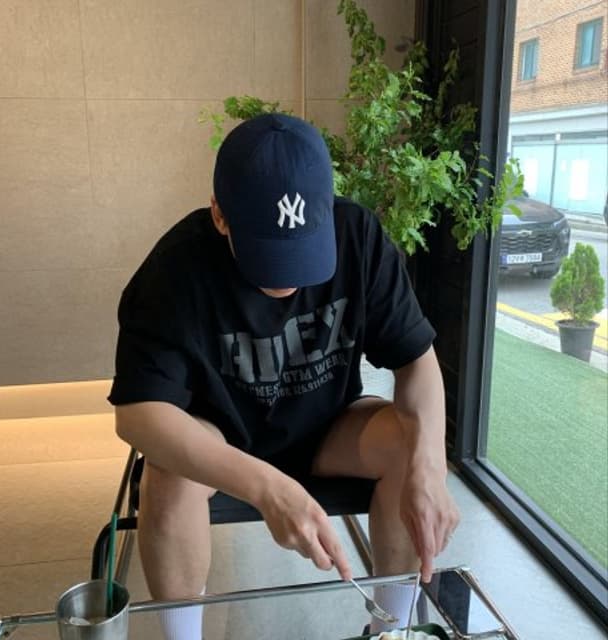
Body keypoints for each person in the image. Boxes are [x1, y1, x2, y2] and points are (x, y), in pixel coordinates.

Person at [109, 113, 460, 639]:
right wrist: (265, 486)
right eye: (269, 255)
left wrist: (430, 467)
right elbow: (138, 415)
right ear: (220, 215)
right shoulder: (175, 269)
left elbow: (417, 359)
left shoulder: (357, 234)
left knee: (412, 445)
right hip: (221, 438)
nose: (289, 280)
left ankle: (393, 629)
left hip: (328, 427)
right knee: (168, 474)